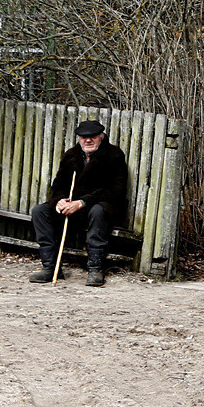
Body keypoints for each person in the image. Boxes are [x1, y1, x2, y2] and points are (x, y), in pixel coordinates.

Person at [29, 119, 129, 286]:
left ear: (101, 136)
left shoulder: (114, 156)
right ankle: (50, 267)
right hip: (72, 208)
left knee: (98, 211)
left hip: (101, 208)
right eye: (84, 137)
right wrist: (59, 201)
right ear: (79, 138)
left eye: (93, 136)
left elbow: (114, 191)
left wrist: (82, 202)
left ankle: (95, 269)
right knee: (40, 211)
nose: (88, 140)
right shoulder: (71, 156)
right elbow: (57, 185)